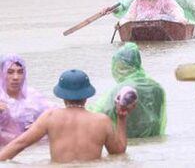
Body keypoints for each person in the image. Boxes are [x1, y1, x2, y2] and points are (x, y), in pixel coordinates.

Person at [0, 69, 135, 163]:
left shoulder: (50, 117)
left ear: (61, 95)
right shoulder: (102, 121)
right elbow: (118, 152)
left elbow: (19, 144)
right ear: (87, 95)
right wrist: (121, 118)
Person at [91, 43, 166, 138]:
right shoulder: (157, 87)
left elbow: (102, 114)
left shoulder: (120, 90)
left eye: (118, 66)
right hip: (154, 140)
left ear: (121, 66)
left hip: (126, 140)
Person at [0, 54, 53, 146]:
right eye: (10, 72)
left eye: (20, 72)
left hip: (31, 148)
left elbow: (55, 115)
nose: (16, 77)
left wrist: (38, 125)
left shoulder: (34, 97)